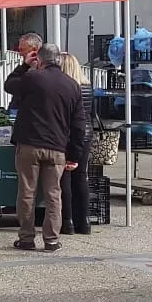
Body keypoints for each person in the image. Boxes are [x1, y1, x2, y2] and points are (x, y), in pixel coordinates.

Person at [3, 44, 84, 252]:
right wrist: (74, 154)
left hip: (29, 145)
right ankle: (51, 240)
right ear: (58, 59)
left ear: (39, 59)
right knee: (53, 195)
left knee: (27, 192)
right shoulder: (73, 85)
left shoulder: (32, 78)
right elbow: (78, 125)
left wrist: (23, 66)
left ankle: (27, 238)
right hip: (57, 147)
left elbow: (9, 85)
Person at [59, 54, 95, 237]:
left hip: (67, 135)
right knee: (81, 177)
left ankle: (68, 221)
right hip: (86, 134)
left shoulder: (66, 89)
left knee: (64, 178)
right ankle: (85, 221)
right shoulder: (88, 86)